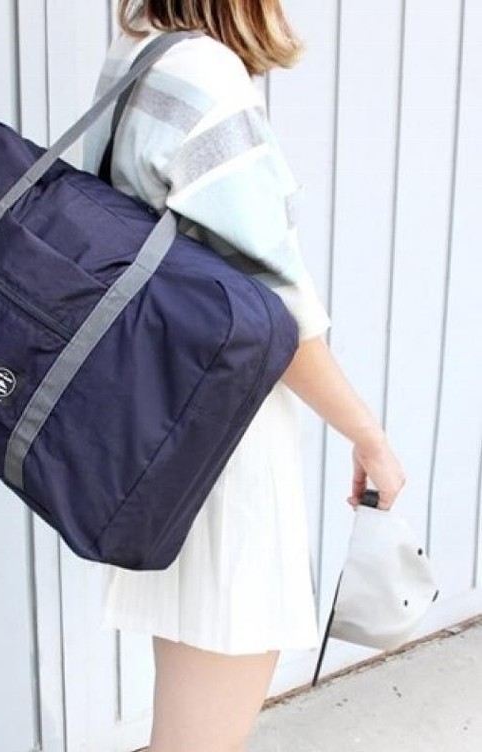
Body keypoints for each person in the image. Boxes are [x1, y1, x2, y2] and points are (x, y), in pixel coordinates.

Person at [82, 2, 407, 751]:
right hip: (222, 445)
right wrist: (369, 437)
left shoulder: (138, 51)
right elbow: (276, 311)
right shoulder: (206, 76)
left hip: (164, 424)